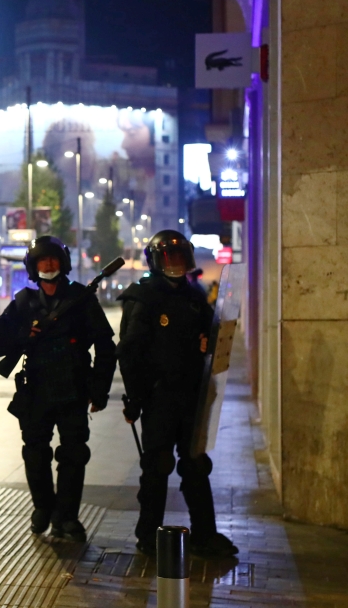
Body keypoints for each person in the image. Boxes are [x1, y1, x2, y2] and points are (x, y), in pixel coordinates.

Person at [117, 230, 239, 559]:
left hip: (191, 395)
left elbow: (209, 335)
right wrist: (136, 397)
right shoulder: (142, 297)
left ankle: (204, 535)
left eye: (180, 258)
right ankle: (148, 536)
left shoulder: (193, 294)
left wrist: (207, 343)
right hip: (159, 397)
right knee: (157, 467)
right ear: (156, 262)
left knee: (196, 465)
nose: (175, 265)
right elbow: (129, 352)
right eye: (169, 258)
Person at [0, 235, 116, 542]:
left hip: (73, 389)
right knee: (35, 453)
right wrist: (23, 334)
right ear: (33, 266)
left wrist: (99, 390)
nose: (48, 265)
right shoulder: (22, 302)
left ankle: (67, 517)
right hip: (36, 391)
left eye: (53, 259)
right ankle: (43, 508)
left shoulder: (82, 299)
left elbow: (106, 347)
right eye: (42, 260)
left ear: (64, 263)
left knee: (73, 455)